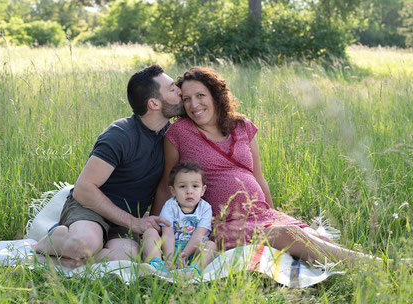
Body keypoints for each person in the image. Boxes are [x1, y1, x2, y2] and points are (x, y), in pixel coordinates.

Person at [151, 66, 384, 267]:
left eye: (200, 95)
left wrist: (274, 216)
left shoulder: (242, 126)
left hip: (259, 213)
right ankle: (381, 267)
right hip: (221, 224)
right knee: (289, 236)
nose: (194, 105)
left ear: (215, 96)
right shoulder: (179, 132)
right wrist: (158, 228)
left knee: (314, 238)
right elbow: (166, 185)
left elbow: (258, 178)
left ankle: (361, 269)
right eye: (186, 99)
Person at [32, 64, 184, 268]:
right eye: (173, 89)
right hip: (91, 208)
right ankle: (49, 243)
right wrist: (134, 222)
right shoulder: (120, 134)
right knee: (84, 246)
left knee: (123, 261)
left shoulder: (170, 136)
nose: (180, 92)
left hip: (127, 218)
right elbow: (84, 190)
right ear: (154, 103)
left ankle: (71, 255)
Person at [143, 162, 216, 274]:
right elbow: (167, 234)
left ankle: (193, 269)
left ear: (203, 190)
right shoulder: (170, 205)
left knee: (210, 246)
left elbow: (199, 234)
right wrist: (169, 258)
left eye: (195, 186)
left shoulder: (205, 208)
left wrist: (185, 254)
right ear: (173, 191)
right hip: (169, 248)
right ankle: (157, 264)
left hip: (193, 250)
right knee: (150, 233)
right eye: (182, 186)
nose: (189, 191)